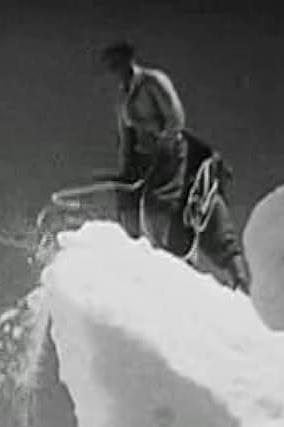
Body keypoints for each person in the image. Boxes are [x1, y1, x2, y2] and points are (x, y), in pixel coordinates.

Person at [100, 42, 251, 292]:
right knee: (129, 206)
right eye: (111, 66)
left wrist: (162, 149)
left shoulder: (152, 82)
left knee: (160, 207)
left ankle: (175, 269)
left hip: (170, 153)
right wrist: (126, 172)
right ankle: (143, 267)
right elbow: (127, 140)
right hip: (144, 160)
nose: (115, 70)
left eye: (117, 63)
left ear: (128, 60)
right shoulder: (123, 98)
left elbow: (175, 119)